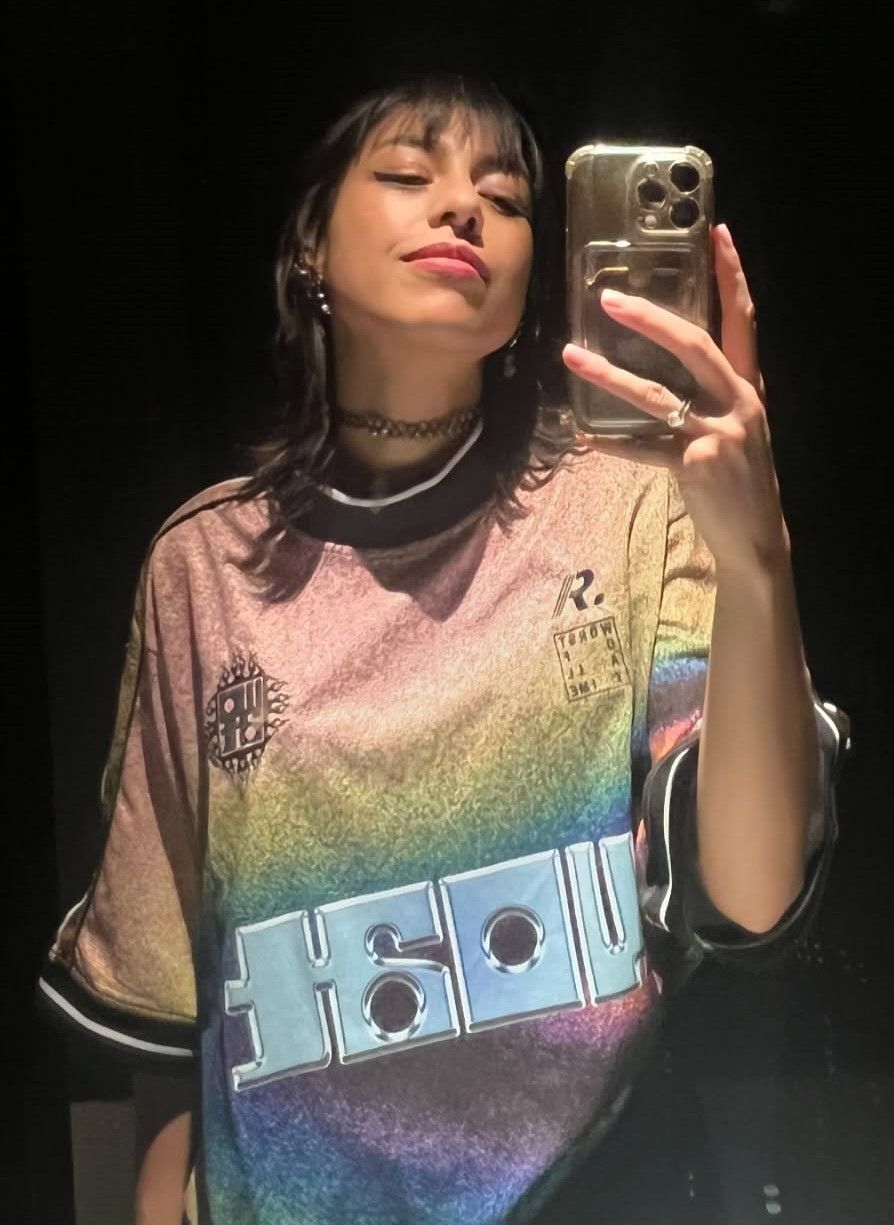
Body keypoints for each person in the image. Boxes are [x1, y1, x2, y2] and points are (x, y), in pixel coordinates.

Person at [37, 72, 851, 1224]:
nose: (464, 207)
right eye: (409, 174)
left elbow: (752, 893)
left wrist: (760, 559)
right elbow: (168, 1004)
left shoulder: (629, 502)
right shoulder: (202, 567)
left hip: (600, 1190)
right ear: (310, 246)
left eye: (506, 199)